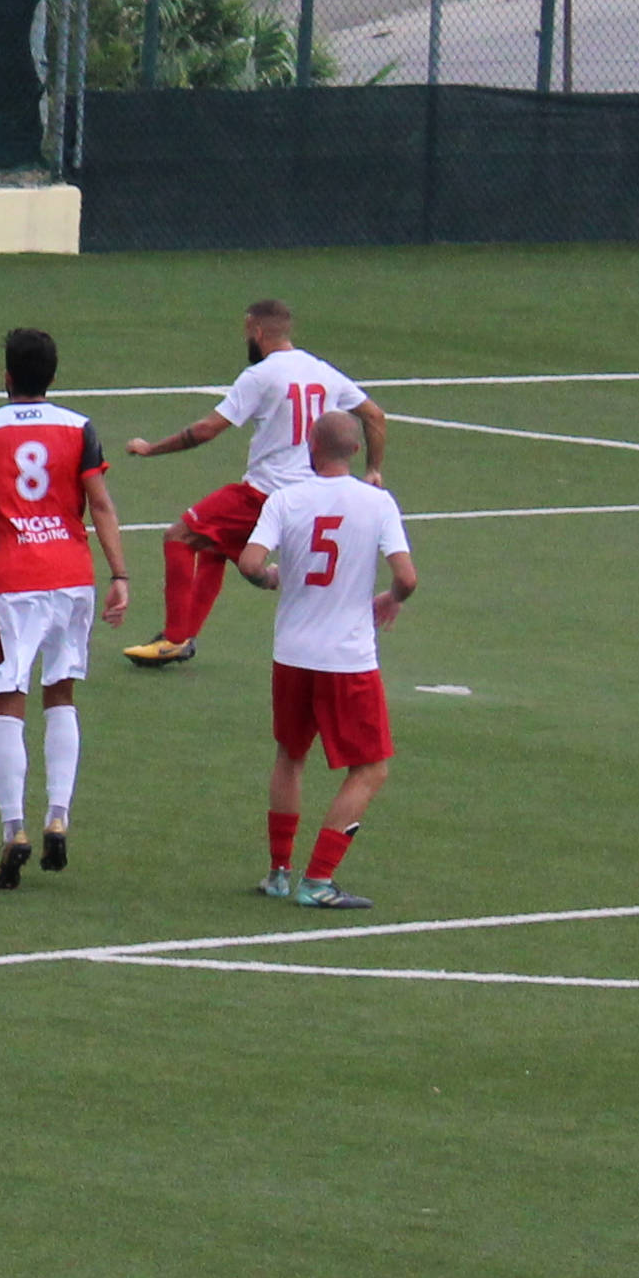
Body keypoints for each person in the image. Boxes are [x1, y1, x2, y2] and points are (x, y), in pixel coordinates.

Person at [0, 328, 131, 889]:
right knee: (62, 692)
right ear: (52, 378)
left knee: (8, 699)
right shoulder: (79, 428)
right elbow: (99, 504)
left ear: (6, 376)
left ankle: (14, 829)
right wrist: (120, 573)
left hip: (14, 583)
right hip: (73, 577)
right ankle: (59, 814)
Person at [121, 298, 387, 666]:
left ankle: (175, 637)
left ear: (257, 332)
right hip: (308, 496)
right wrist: (373, 470)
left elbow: (206, 430)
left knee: (178, 536)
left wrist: (151, 449)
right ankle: (190, 632)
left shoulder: (261, 376)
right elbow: (375, 416)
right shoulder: (323, 371)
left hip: (264, 493)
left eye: (247, 332)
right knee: (212, 546)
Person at [234, 409, 420, 908]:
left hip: (291, 654)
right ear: (356, 451)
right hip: (347, 659)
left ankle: (278, 872)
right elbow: (406, 577)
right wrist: (390, 600)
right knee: (369, 768)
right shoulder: (377, 502)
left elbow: (251, 563)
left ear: (309, 448)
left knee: (290, 757)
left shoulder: (286, 499)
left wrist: (271, 578)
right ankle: (318, 881)